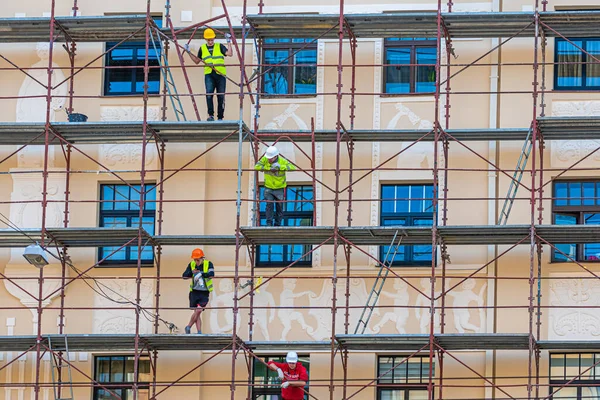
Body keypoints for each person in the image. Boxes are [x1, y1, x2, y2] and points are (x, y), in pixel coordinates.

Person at [184, 28, 232, 121]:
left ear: (214, 38)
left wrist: (229, 41)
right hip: (209, 74)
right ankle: (211, 115)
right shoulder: (203, 48)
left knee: (221, 95)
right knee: (209, 94)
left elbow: (229, 53)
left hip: (220, 74)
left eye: (212, 39)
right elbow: (197, 61)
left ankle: (220, 117)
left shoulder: (219, 46)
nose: (210, 41)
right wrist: (188, 52)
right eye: (208, 40)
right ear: (206, 39)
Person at [254, 146, 297, 226]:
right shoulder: (265, 159)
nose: (269, 159)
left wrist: (280, 167)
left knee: (279, 207)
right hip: (268, 187)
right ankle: (269, 224)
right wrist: (269, 168)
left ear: (276, 156)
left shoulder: (282, 161)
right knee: (269, 205)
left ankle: (277, 224)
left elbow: (293, 167)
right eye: (268, 158)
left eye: (271, 158)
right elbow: (257, 166)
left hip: (279, 188)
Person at [182, 248, 214, 334]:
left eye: (198, 260)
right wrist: (192, 273)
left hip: (204, 292)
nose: (196, 262)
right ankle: (199, 331)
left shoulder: (208, 264)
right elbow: (184, 276)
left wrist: (201, 273)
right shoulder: (192, 264)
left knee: (199, 310)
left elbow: (211, 275)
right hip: (194, 291)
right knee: (197, 312)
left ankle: (188, 326)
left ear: (202, 258)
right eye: (195, 260)